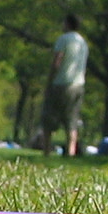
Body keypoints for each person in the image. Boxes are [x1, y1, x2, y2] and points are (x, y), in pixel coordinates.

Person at [42, 14, 90, 156]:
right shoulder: (83, 42)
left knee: (49, 117)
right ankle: (70, 151)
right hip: (78, 84)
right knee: (72, 120)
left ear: (68, 24)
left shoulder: (63, 39)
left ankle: (47, 151)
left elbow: (57, 61)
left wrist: (49, 81)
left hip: (62, 83)